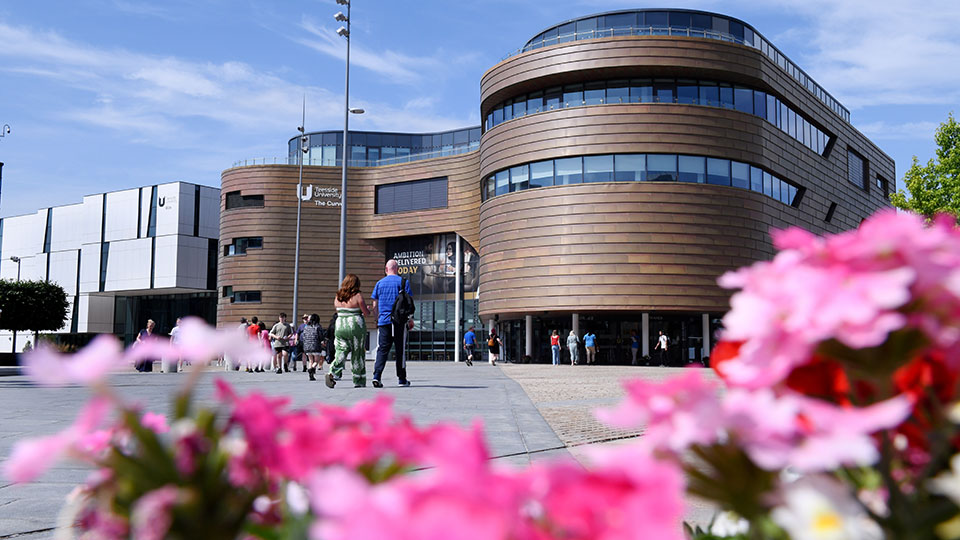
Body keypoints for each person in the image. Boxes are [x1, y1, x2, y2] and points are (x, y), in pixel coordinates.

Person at [370, 259, 413, 388]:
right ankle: (401, 379)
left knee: (382, 349)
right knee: (400, 350)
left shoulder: (379, 283)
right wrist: (410, 318)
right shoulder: (403, 282)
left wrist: (377, 318)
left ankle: (376, 376)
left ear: (386, 269)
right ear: (397, 269)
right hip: (399, 321)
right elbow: (409, 301)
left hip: (384, 321)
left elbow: (375, 304)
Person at [328, 274, 371, 388]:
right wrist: (369, 309)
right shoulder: (357, 296)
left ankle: (333, 371)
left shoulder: (338, 296)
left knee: (341, 350)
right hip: (355, 325)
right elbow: (366, 313)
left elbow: (337, 310)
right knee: (358, 353)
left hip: (340, 324)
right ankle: (359, 380)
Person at [301, 313, 324, 381]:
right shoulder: (318, 326)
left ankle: (311, 375)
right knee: (316, 361)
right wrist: (322, 341)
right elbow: (320, 336)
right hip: (315, 345)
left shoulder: (306, 326)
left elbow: (304, 336)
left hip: (307, 346)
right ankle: (312, 369)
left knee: (310, 360)